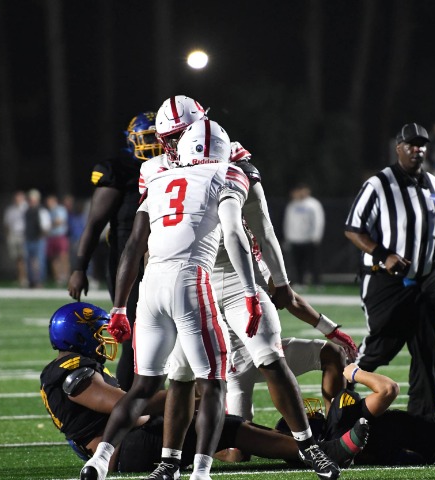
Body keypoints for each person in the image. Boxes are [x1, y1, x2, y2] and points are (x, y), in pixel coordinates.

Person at [146, 99, 350, 480]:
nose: (171, 146)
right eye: (168, 138)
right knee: (180, 372)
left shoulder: (232, 163)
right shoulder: (157, 170)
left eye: (177, 136)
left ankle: (310, 448)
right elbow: (151, 239)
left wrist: (279, 283)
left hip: (234, 278)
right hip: (191, 281)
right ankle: (169, 462)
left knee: (269, 354)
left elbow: (260, 228)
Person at [80, 119, 265, 480]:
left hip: (151, 285)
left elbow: (134, 245)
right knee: (212, 384)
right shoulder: (227, 173)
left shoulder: (158, 176)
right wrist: (249, 292)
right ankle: (200, 472)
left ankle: (100, 459)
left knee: (142, 387)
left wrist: (119, 306)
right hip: (190, 280)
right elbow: (233, 233)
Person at [41, 302, 368, 475]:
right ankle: (321, 453)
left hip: (131, 443)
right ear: (78, 336)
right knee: (225, 426)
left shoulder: (76, 368)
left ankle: (309, 449)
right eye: (98, 334)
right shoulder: (70, 371)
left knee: (225, 424)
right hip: (126, 450)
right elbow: (124, 405)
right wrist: (188, 394)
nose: (105, 340)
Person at [344, 122, 435, 416]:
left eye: (422, 145)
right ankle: (339, 397)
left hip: (431, 280)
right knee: (380, 347)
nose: (417, 150)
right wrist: (384, 255)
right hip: (388, 280)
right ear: (398, 148)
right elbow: (353, 228)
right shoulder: (379, 184)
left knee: (427, 351)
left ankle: (422, 421)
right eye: (411, 145)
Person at [67, 112, 162, 391]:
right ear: (131, 140)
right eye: (146, 138)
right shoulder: (119, 170)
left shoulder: (173, 167)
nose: (152, 145)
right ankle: (126, 403)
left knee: (166, 338)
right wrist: (79, 268)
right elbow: (94, 223)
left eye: (156, 138)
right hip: (127, 263)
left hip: (164, 260)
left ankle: (154, 401)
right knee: (137, 337)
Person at [282, 182, 326, 287]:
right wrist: (288, 237)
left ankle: (317, 282)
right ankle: (300, 282)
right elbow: (287, 222)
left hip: (309, 239)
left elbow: (319, 221)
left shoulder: (314, 204)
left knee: (313, 262)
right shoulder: (292, 205)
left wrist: (316, 236)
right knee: (297, 263)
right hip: (295, 239)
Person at [24, 189, 51, 288]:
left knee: (39, 261)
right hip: (29, 238)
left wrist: (41, 236)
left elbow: (46, 226)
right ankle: (31, 281)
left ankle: (40, 281)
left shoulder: (42, 211)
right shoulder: (27, 211)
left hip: (38, 239)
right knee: (28, 261)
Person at [3, 190, 28, 287]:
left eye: (20, 198)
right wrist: (8, 235)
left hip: (24, 235)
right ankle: (21, 278)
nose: (18, 200)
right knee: (17, 258)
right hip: (13, 235)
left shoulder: (27, 208)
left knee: (24, 258)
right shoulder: (10, 210)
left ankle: (26, 278)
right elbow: (6, 224)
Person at [46, 194, 70, 286]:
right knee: (53, 258)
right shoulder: (48, 211)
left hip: (60, 235)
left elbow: (60, 221)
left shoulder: (60, 209)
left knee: (63, 256)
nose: (48, 203)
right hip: (51, 236)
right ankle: (58, 277)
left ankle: (66, 276)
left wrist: (49, 224)